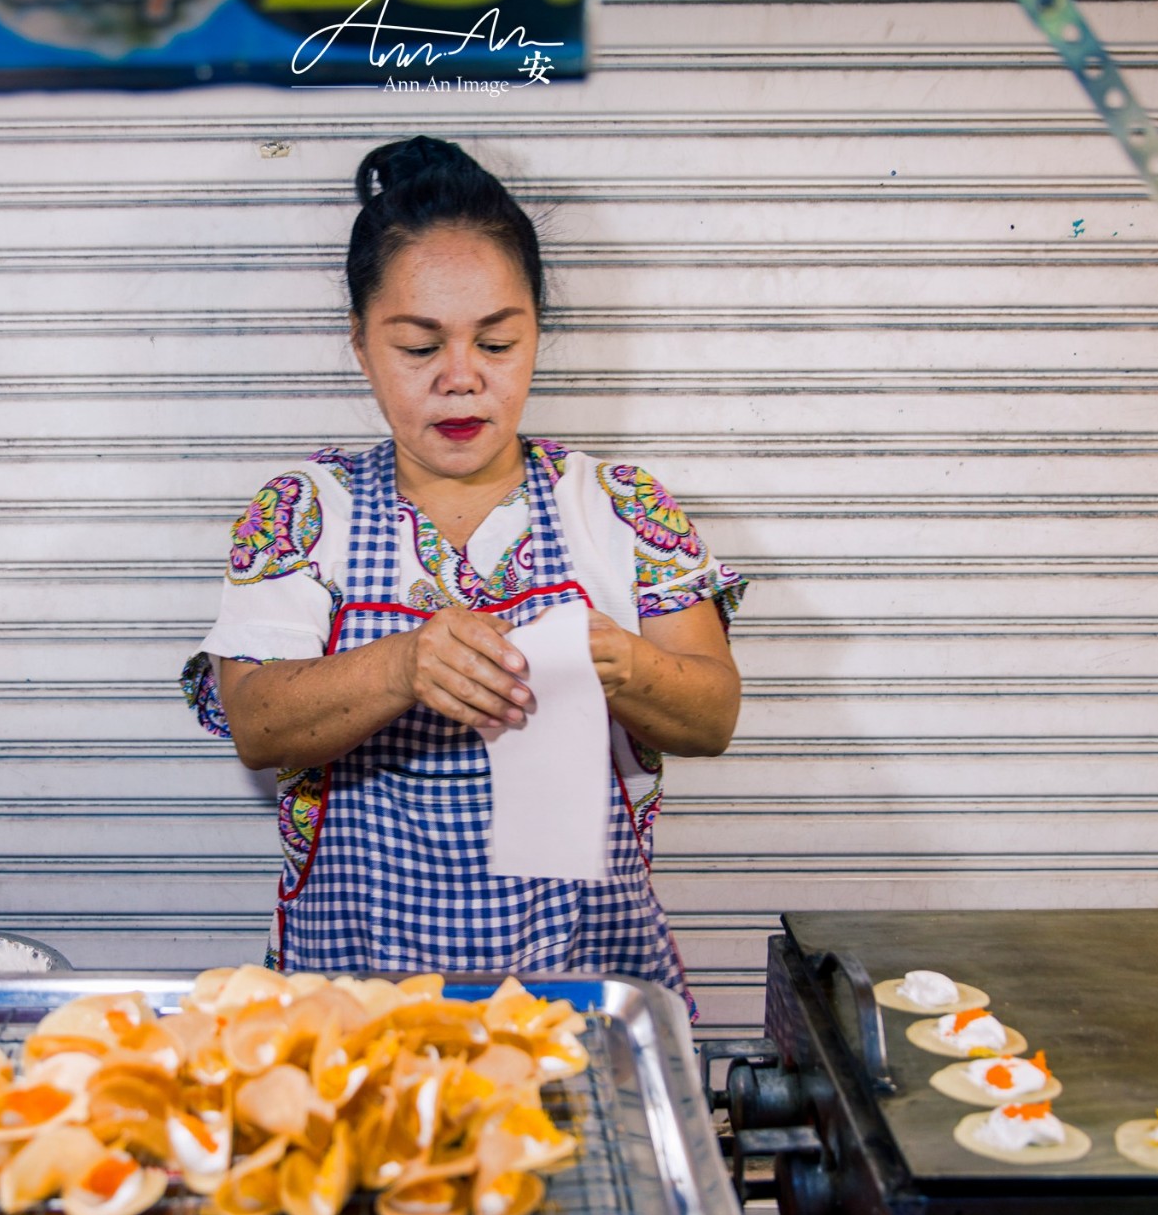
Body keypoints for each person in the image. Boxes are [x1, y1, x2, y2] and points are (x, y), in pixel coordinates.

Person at [181, 135, 745, 1010]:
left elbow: (711, 716)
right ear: (362, 346)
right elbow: (258, 724)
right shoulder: (301, 512)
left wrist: (616, 660)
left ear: (537, 337)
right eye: (417, 346)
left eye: (497, 342)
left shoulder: (619, 504)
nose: (461, 380)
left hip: (580, 991)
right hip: (356, 998)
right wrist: (405, 664)